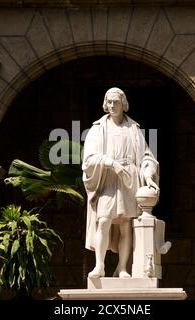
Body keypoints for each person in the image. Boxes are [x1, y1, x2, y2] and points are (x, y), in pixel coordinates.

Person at [82, 87, 159, 279]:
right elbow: (89, 158)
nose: (112, 105)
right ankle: (99, 266)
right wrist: (111, 163)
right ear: (105, 104)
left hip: (129, 178)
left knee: (126, 224)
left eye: (116, 102)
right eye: (109, 102)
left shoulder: (133, 129)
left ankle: (122, 268)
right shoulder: (98, 129)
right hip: (108, 177)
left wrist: (148, 175)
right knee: (103, 220)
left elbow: (147, 157)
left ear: (123, 104)